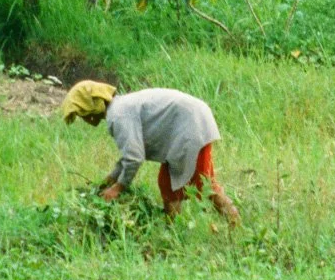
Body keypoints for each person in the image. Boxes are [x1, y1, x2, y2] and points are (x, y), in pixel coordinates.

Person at [63, 80, 240, 225]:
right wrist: (110, 179)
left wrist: (117, 188)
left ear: (90, 109)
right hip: (192, 121)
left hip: (191, 126)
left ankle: (233, 221)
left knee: (204, 184)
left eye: (81, 115)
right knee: (169, 184)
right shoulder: (120, 107)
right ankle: (173, 229)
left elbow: (134, 157)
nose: (84, 120)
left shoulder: (118, 116)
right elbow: (129, 156)